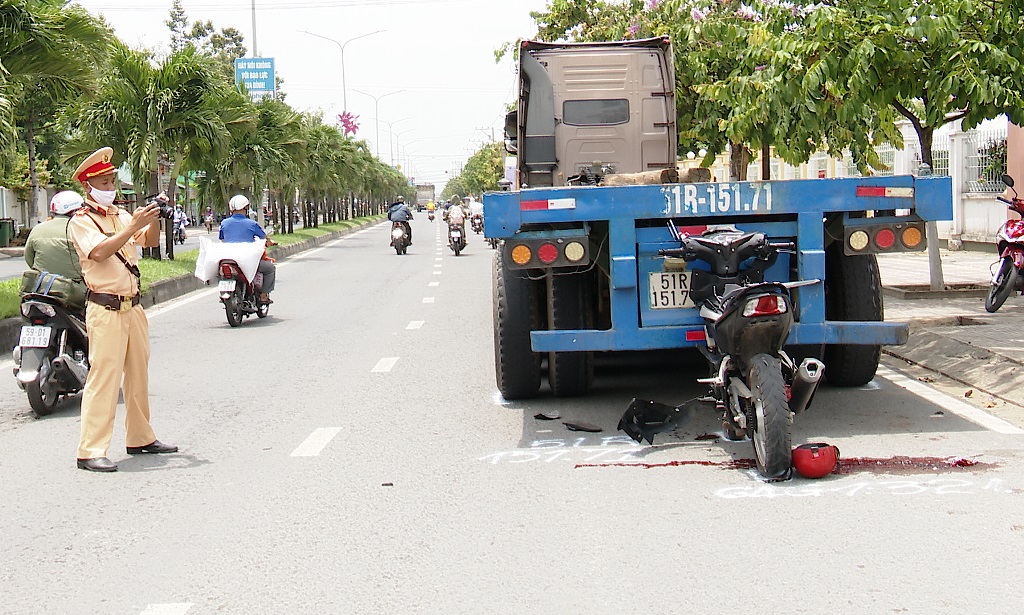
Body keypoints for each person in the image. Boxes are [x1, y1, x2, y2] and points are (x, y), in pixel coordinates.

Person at [67, 147, 178, 472]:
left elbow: (148, 241)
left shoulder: (120, 214)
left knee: (138, 375)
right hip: (105, 309)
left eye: (112, 179)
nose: (110, 185)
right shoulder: (81, 222)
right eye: (103, 181)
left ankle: (141, 437)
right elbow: (99, 253)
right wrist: (132, 228)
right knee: (104, 377)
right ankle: (90, 450)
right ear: (88, 186)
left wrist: (154, 217)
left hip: (133, 308)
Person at [23, 191, 89, 311]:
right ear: (77, 211)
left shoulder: (37, 229)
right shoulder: (81, 229)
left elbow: (29, 258)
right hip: (73, 292)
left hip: (40, 288)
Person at [219, 194, 277, 303]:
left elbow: (222, 239)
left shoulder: (224, 223)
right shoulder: (252, 224)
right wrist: (270, 242)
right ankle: (264, 295)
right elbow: (265, 238)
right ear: (245, 208)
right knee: (270, 268)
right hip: (247, 260)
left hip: (228, 258)